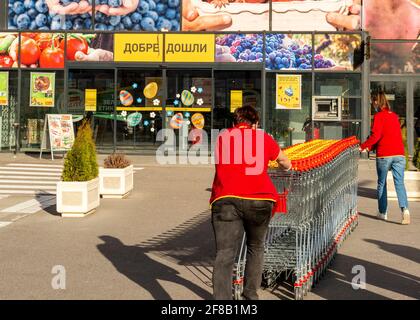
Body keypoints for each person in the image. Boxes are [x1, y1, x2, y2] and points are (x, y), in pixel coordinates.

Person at [209, 105, 291, 300]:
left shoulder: (222, 138)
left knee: (225, 253)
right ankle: (250, 295)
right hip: (260, 199)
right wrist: (287, 168)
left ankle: (222, 303)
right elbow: (284, 161)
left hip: (226, 199)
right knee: (256, 246)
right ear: (255, 123)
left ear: (236, 122)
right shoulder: (263, 137)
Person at [360, 92, 410, 225]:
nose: (372, 104)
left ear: (376, 102)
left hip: (384, 155)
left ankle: (383, 213)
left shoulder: (378, 116)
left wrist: (363, 146)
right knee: (399, 183)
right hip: (399, 154)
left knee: (382, 183)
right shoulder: (394, 116)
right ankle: (405, 210)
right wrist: (370, 148)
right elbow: (388, 135)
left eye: (372, 102)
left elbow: (376, 136)